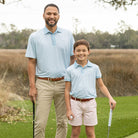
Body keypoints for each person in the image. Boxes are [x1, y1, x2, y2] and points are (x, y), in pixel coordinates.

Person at [25, 3, 75, 138]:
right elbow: (31, 62)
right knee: (40, 123)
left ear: (58, 16)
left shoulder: (68, 35)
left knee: (63, 122)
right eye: (49, 14)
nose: (51, 16)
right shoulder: (35, 37)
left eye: (54, 14)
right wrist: (32, 86)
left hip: (63, 84)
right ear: (43, 16)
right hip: (43, 84)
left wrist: (72, 81)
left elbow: (73, 58)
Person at [64, 39, 116, 138]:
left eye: (84, 50)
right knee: (75, 132)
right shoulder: (69, 70)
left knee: (90, 132)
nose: (81, 53)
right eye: (78, 51)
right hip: (75, 103)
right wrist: (68, 109)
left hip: (90, 103)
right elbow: (66, 90)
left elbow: (101, 85)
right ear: (74, 52)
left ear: (88, 52)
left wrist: (110, 97)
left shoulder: (94, 68)